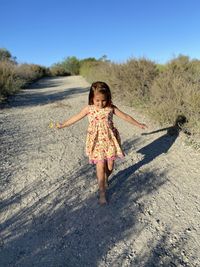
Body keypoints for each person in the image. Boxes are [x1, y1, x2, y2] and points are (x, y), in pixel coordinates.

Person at [56, 81, 147, 205]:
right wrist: (63, 124)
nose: (100, 103)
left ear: (108, 98)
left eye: (103, 100)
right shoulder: (89, 109)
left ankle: (105, 177)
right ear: (92, 98)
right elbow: (76, 117)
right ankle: (102, 192)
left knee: (110, 166)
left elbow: (125, 116)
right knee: (100, 165)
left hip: (110, 140)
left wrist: (138, 124)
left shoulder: (111, 108)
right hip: (96, 141)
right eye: (97, 100)